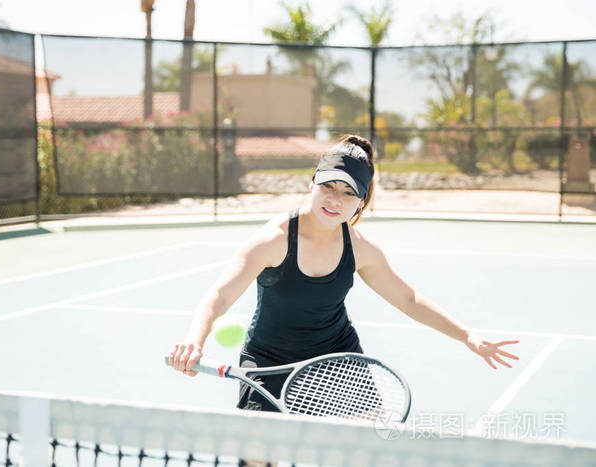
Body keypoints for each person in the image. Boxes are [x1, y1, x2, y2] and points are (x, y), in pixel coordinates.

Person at [167, 134, 519, 413]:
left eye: (348, 193)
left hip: (338, 358)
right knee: (259, 455)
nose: (335, 200)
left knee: (361, 450)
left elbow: (408, 300)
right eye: (329, 186)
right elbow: (220, 295)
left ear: (361, 203)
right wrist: (193, 341)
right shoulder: (274, 240)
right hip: (268, 359)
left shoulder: (361, 249)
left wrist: (467, 336)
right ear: (312, 183)